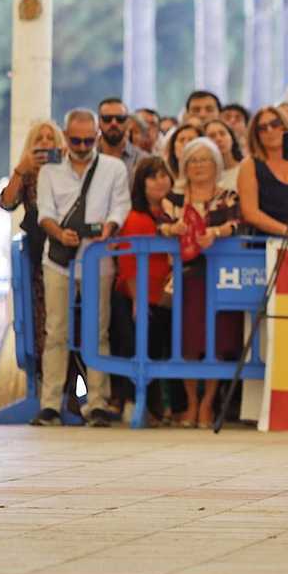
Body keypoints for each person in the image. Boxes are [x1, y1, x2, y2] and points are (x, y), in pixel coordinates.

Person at [31, 108, 129, 427]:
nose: (83, 146)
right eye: (76, 140)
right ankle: (51, 404)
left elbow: (120, 206)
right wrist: (60, 233)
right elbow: (45, 212)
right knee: (55, 331)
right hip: (58, 259)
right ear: (66, 136)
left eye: (89, 140)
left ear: (97, 137)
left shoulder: (113, 168)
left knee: (98, 331)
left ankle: (98, 402)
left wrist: (109, 227)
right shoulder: (50, 171)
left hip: (97, 257)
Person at [163, 137, 244, 427]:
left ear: (216, 164)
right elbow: (160, 224)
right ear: (184, 166)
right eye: (193, 161)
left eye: (205, 160)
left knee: (217, 340)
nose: (199, 166)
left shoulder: (228, 196)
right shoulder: (174, 198)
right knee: (188, 341)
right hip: (185, 277)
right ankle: (191, 404)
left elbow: (237, 224)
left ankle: (208, 404)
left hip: (220, 278)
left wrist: (216, 233)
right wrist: (172, 228)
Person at [0, 119, 66, 379]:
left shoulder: (68, 170)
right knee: (40, 317)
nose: (45, 143)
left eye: (50, 138)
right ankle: (44, 378)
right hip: (37, 253)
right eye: (39, 139)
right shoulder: (26, 172)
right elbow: (6, 202)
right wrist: (21, 169)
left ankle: (69, 380)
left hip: (65, 248)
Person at [111, 156, 176, 424]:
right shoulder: (136, 217)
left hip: (161, 296)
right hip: (135, 297)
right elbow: (128, 262)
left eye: (163, 175)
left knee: (154, 350)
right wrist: (137, 299)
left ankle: (151, 407)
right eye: (152, 177)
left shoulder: (170, 213)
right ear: (141, 183)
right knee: (135, 350)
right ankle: (131, 404)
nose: (159, 182)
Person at [237, 106, 288, 236]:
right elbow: (250, 213)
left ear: (285, 125)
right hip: (265, 242)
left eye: (275, 123)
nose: (270, 130)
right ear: (256, 135)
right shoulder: (249, 165)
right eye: (262, 128)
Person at [97, 97, 147, 177]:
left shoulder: (143, 160)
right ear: (99, 123)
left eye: (120, 119)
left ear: (128, 123)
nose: (113, 123)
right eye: (107, 119)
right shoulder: (88, 158)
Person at [203, 118, 243, 191]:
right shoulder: (203, 176)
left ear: (232, 139)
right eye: (212, 136)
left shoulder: (245, 169)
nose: (218, 139)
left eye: (222, 134)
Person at [163, 121, 204, 187]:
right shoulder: (164, 172)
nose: (186, 144)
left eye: (191, 140)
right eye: (181, 140)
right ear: (173, 147)